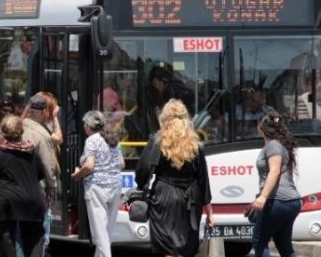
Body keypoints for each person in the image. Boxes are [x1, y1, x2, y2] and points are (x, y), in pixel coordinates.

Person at [135, 99, 213, 257]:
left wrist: (141, 186)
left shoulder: (157, 141)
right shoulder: (195, 144)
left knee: (166, 247)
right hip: (190, 200)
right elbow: (203, 179)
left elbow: (143, 170)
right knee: (186, 246)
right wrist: (210, 213)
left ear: (164, 118)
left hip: (163, 197)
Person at [0, 115, 46, 257]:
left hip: (6, 200)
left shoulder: (0, 152)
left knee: (7, 239)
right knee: (35, 237)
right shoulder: (31, 151)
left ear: (4, 132)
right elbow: (41, 173)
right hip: (32, 199)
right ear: (21, 131)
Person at [71, 110, 124, 257]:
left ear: (88, 125)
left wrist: (77, 175)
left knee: (99, 232)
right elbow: (121, 164)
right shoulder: (112, 138)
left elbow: (89, 166)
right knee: (107, 231)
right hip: (114, 187)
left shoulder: (91, 140)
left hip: (97, 188)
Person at [250, 109, 301, 257]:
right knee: (284, 245)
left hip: (278, 200)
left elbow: (274, 171)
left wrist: (263, 196)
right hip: (289, 201)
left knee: (259, 241)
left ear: (262, 126)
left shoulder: (273, 146)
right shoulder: (278, 145)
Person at [19, 93, 60, 255]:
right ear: (43, 113)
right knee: (36, 233)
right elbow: (48, 165)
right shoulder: (43, 135)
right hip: (36, 190)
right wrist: (51, 187)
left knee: (18, 232)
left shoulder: (16, 128)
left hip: (14, 187)